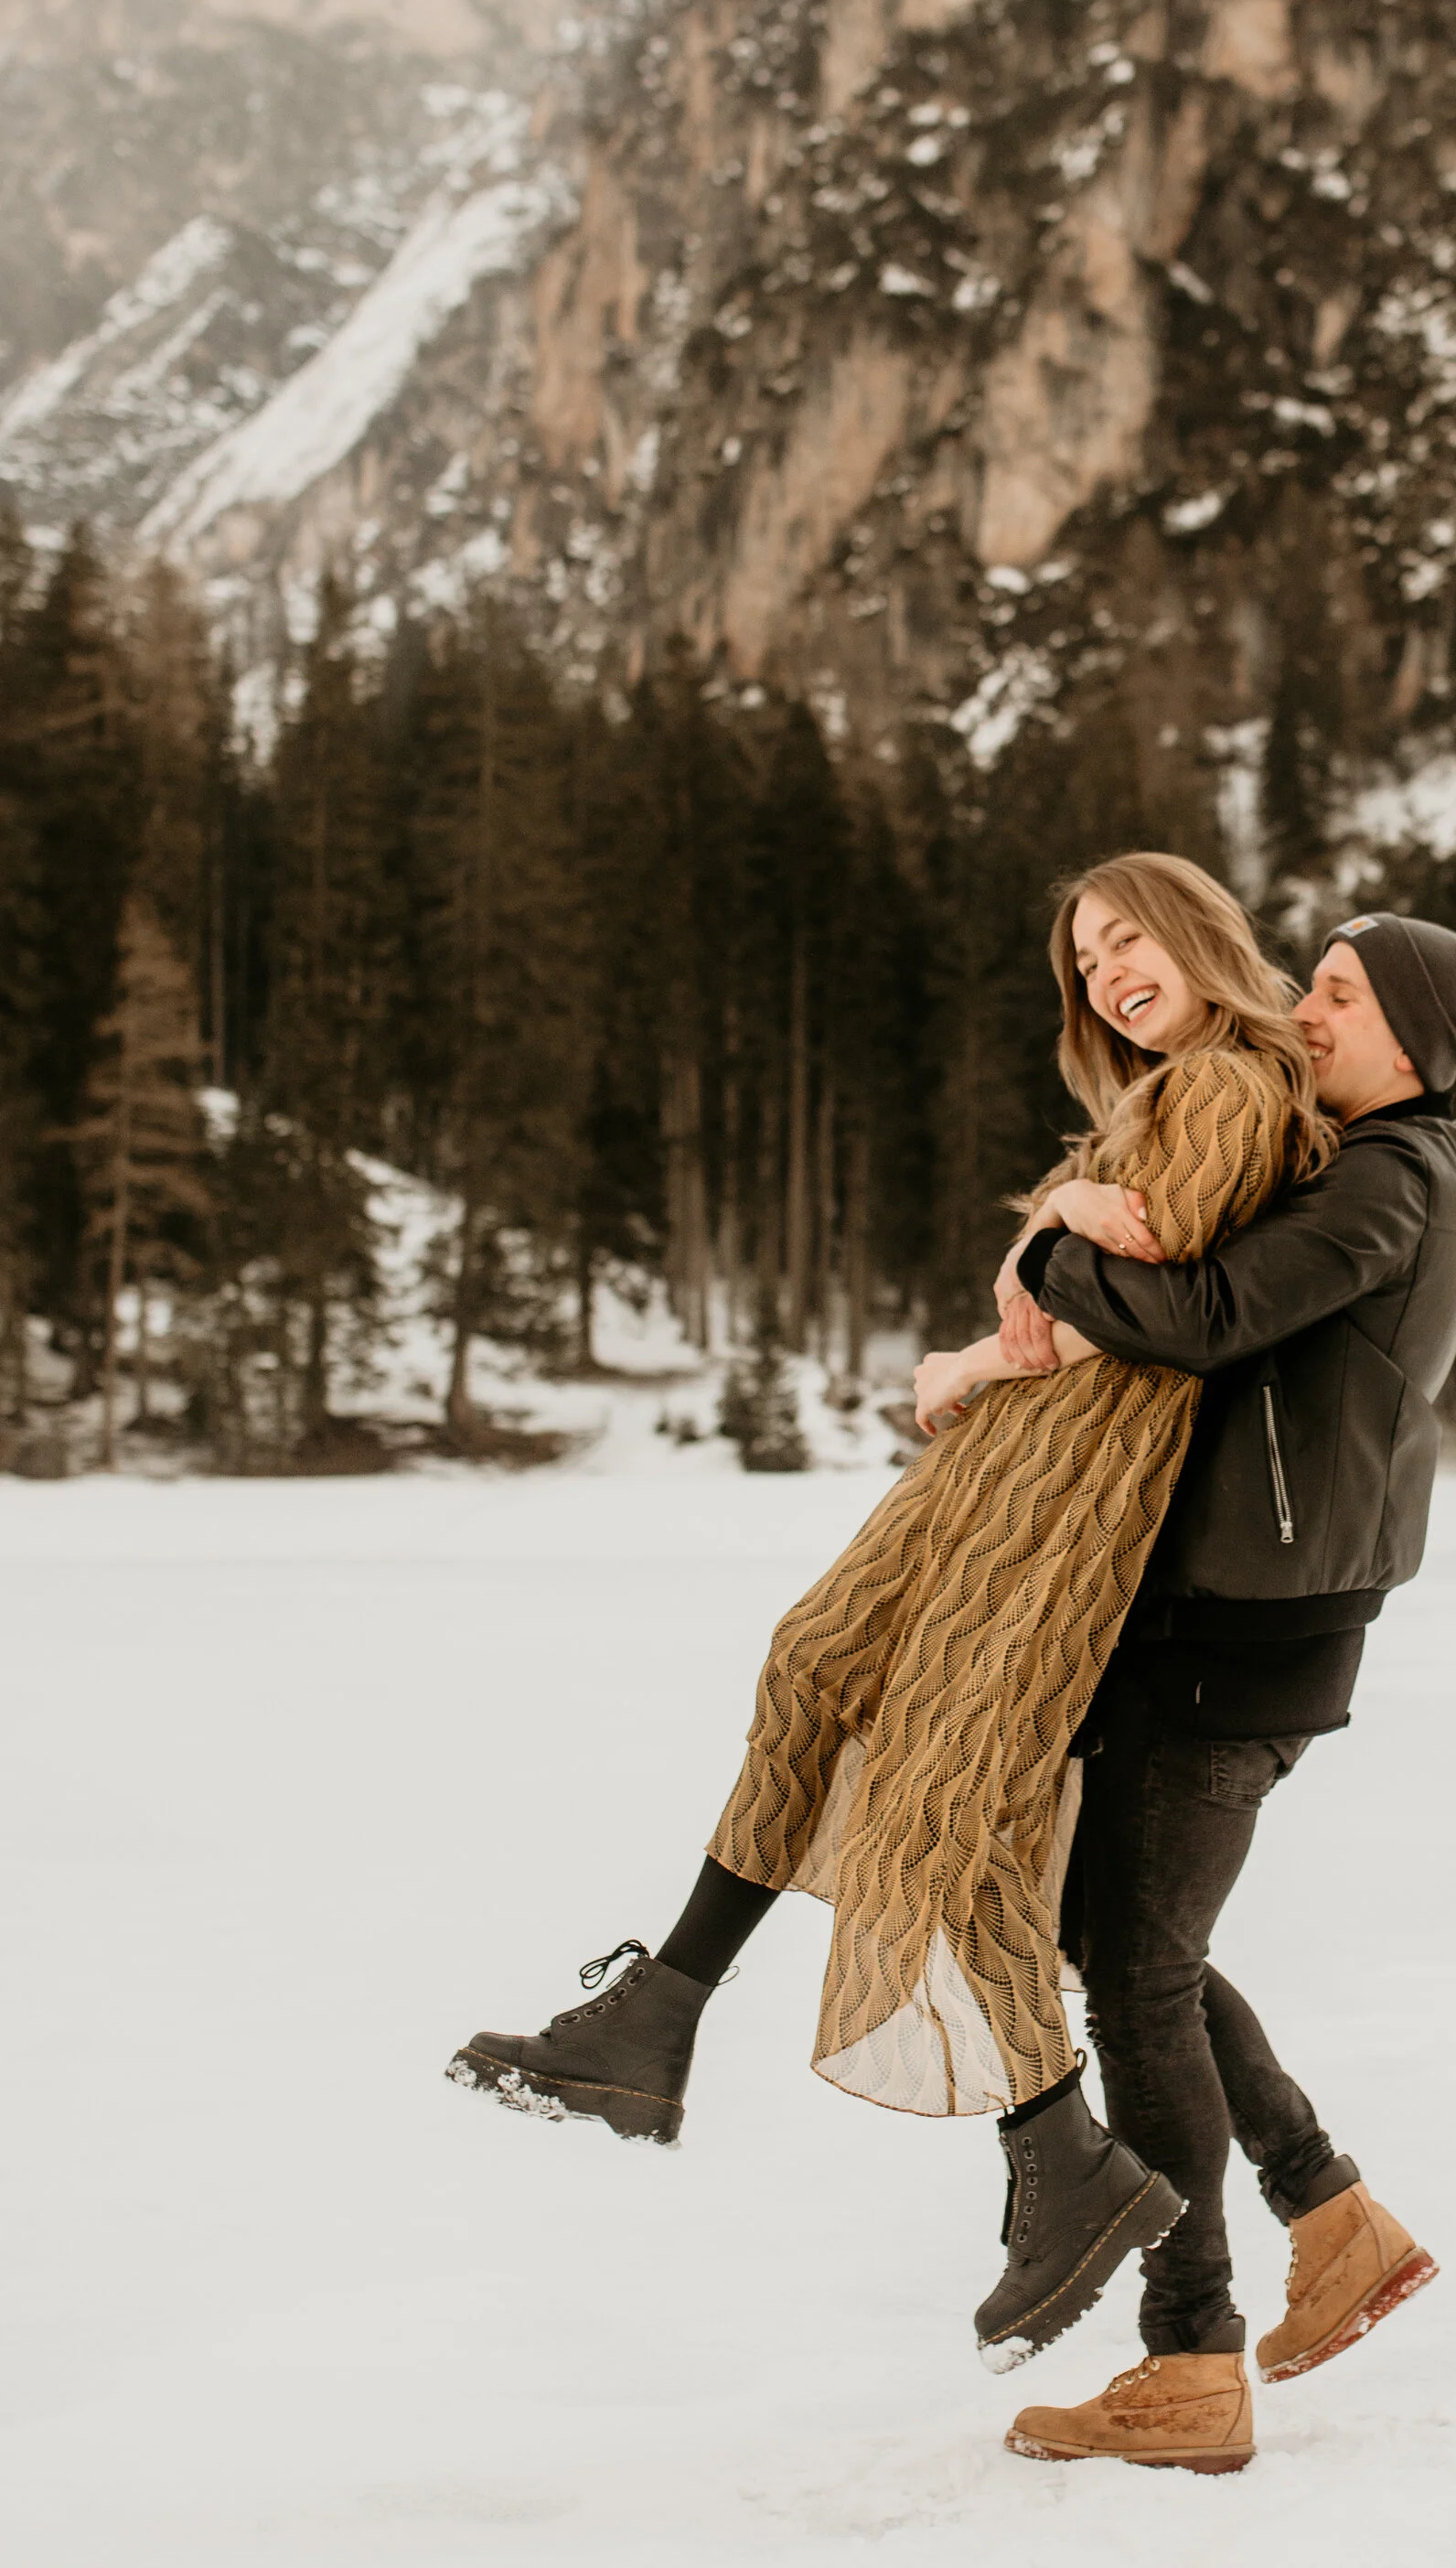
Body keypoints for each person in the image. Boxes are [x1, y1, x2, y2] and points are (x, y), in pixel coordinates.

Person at [448, 852, 1333, 2377]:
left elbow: (1162, 1272)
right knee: (814, 1665)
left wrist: (1054, 1220)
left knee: (943, 1796)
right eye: (1086, 958)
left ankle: (1061, 2155)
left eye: (1130, 938)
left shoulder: (1237, 1080)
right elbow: (1076, 1295)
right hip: (1011, 1462)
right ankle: (657, 2016)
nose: (1111, 971)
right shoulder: (1165, 1088)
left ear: (1199, 935)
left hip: (1076, 1492)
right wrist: (984, 1354)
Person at [990, 908, 1456, 2477]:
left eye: (1344, 995)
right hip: (1235, 1608)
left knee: (1138, 1972)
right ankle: (1332, 2214)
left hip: (1257, 1621)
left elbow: (1206, 1317)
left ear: (1416, 1037)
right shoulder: (1364, 1159)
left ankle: (1193, 2357)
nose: (1306, 1011)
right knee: (1124, 1937)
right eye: (1307, 981)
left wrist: (1051, 1249)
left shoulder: (1393, 1173)